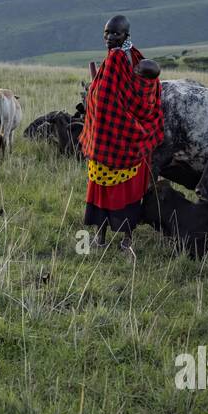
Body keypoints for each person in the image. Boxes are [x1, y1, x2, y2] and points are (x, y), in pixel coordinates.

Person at [78, 15, 164, 253]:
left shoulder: (116, 59)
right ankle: (126, 240)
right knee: (129, 193)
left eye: (114, 34)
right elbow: (146, 94)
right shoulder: (135, 54)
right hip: (134, 144)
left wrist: (93, 102)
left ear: (126, 34)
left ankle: (101, 238)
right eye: (106, 33)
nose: (109, 38)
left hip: (110, 142)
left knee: (103, 190)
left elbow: (105, 100)